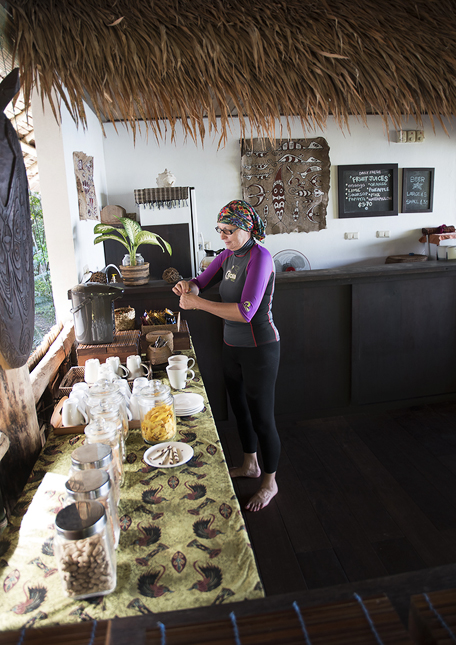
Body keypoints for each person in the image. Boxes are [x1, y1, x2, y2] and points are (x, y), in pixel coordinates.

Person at [172, 200, 280, 511]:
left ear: (247, 229)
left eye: (229, 231)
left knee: (262, 417)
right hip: (231, 346)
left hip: (260, 348)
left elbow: (246, 312)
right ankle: (250, 464)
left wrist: (197, 303)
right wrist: (187, 286)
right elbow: (200, 282)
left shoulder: (260, 258)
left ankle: (270, 483)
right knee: (240, 410)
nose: (223, 236)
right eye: (220, 230)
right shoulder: (226, 256)